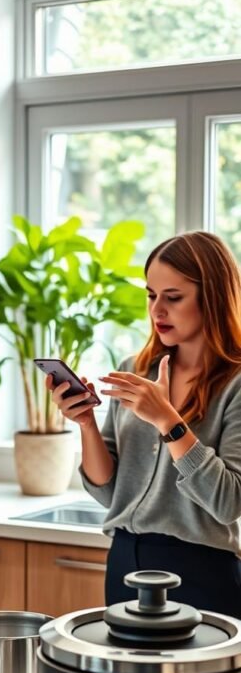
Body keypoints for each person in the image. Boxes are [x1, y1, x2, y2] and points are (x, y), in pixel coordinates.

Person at [47, 230, 241, 617]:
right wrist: (85, 423)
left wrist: (167, 420)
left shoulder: (236, 383)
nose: (157, 311)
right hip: (124, 561)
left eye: (173, 297)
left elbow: (229, 502)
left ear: (214, 297)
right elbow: (109, 493)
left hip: (202, 569)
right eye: (151, 296)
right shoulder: (134, 370)